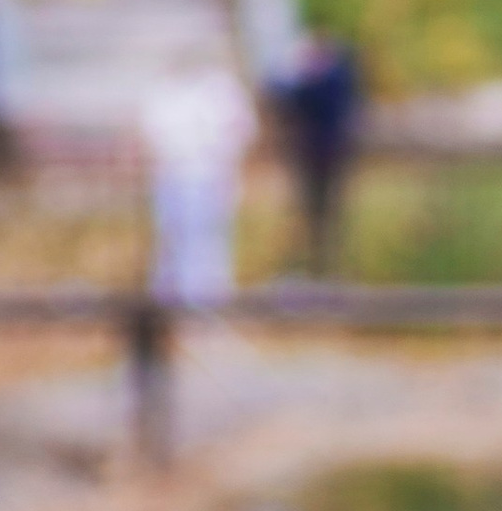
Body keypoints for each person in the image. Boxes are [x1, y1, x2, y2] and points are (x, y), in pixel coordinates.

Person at [137, 47, 256, 309]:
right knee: (173, 235)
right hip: (175, 173)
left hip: (208, 174)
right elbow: (155, 131)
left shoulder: (220, 90)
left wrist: (221, 155)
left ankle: (205, 297)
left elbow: (239, 130)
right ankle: (170, 297)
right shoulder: (169, 90)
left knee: (207, 238)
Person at [270, 29, 363, 274]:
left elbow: (298, 97)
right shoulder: (331, 76)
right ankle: (314, 266)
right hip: (317, 153)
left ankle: (322, 268)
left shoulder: (332, 78)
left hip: (325, 153)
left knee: (323, 213)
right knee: (314, 212)